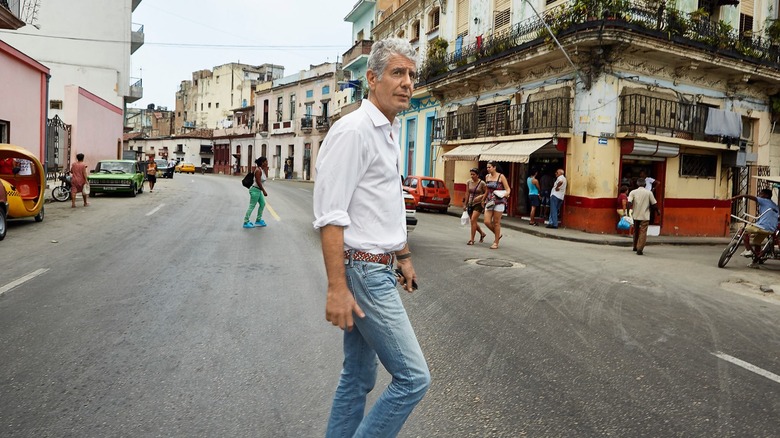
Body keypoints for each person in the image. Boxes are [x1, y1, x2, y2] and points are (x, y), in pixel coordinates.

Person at [313, 37, 430, 438]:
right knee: (413, 378)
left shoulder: (387, 131)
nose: (407, 83)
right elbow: (331, 215)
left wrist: (404, 256)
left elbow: (384, 205)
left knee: (358, 376)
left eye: (412, 75)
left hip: (377, 265)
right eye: (398, 73)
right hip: (362, 271)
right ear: (372, 77)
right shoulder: (354, 131)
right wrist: (336, 288)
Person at [731, 189, 779, 268]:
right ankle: (755, 262)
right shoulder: (775, 205)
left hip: (762, 226)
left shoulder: (763, 200)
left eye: (761, 193)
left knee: (743, 230)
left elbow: (749, 197)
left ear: (766, 196)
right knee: (757, 242)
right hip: (770, 230)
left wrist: (738, 197)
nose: (759, 195)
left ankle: (748, 250)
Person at [628, 177, 660, 255]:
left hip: (636, 215)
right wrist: (657, 211)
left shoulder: (633, 192)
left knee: (636, 231)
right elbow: (654, 204)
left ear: (637, 184)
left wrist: (628, 212)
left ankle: (635, 246)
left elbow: (629, 203)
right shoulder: (649, 193)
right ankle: (640, 249)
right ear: (645, 184)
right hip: (645, 216)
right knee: (643, 232)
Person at [483, 161, 511, 249]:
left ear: (494, 167)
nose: (488, 169)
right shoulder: (487, 177)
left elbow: (508, 189)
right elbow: (487, 190)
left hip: (499, 201)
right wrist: (483, 199)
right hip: (489, 201)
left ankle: (496, 242)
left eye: (489, 167)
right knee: (486, 221)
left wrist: (505, 194)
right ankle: (498, 234)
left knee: (496, 222)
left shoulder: (501, 176)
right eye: (487, 167)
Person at [243, 157, 269, 229]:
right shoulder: (258, 170)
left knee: (262, 203)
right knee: (252, 206)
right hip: (255, 190)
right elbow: (258, 181)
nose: (267, 163)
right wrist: (263, 191)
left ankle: (258, 220)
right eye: (265, 161)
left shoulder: (261, 170)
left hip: (258, 190)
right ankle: (246, 221)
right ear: (262, 162)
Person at [463, 167, 487, 245]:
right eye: (471, 174)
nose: (472, 176)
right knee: (473, 221)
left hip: (478, 204)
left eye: (473, 174)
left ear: (477, 175)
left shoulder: (482, 183)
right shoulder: (468, 182)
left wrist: (481, 197)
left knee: (473, 220)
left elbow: (487, 192)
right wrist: (465, 204)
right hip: (470, 203)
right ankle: (482, 233)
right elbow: (467, 193)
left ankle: (472, 239)